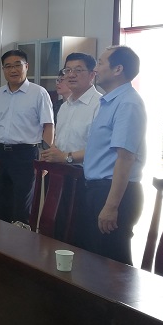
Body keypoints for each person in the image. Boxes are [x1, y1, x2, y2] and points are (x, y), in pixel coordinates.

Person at [82, 46, 146, 265]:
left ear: (118, 69)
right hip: (99, 189)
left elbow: (125, 158)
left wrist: (111, 206)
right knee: (95, 260)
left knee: (112, 265)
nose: (96, 69)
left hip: (114, 192)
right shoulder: (110, 101)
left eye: (100, 63)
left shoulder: (128, 103)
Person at [0, 49, 54, 224]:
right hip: (0, 154)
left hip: (26, 155)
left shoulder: (39, 93)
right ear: (3, 70)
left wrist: (45, 158)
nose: (13, 70)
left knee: (22, 208)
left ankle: (21, 241)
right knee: (1, 205)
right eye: (8, 66)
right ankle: (1, 240)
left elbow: (48, 126)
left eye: (17, 65)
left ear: (26, 66)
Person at [40, 53, 101, 241]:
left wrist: (66, 156)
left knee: (79, 236)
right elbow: (60, 141)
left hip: (85, 180)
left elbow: (99, 150)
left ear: (92, 75)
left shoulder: (99, 105)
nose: (71, 75)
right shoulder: (65, 106)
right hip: (60, 175)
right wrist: (51, 154)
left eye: (78, 70)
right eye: (68, 70)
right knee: (57, 231)